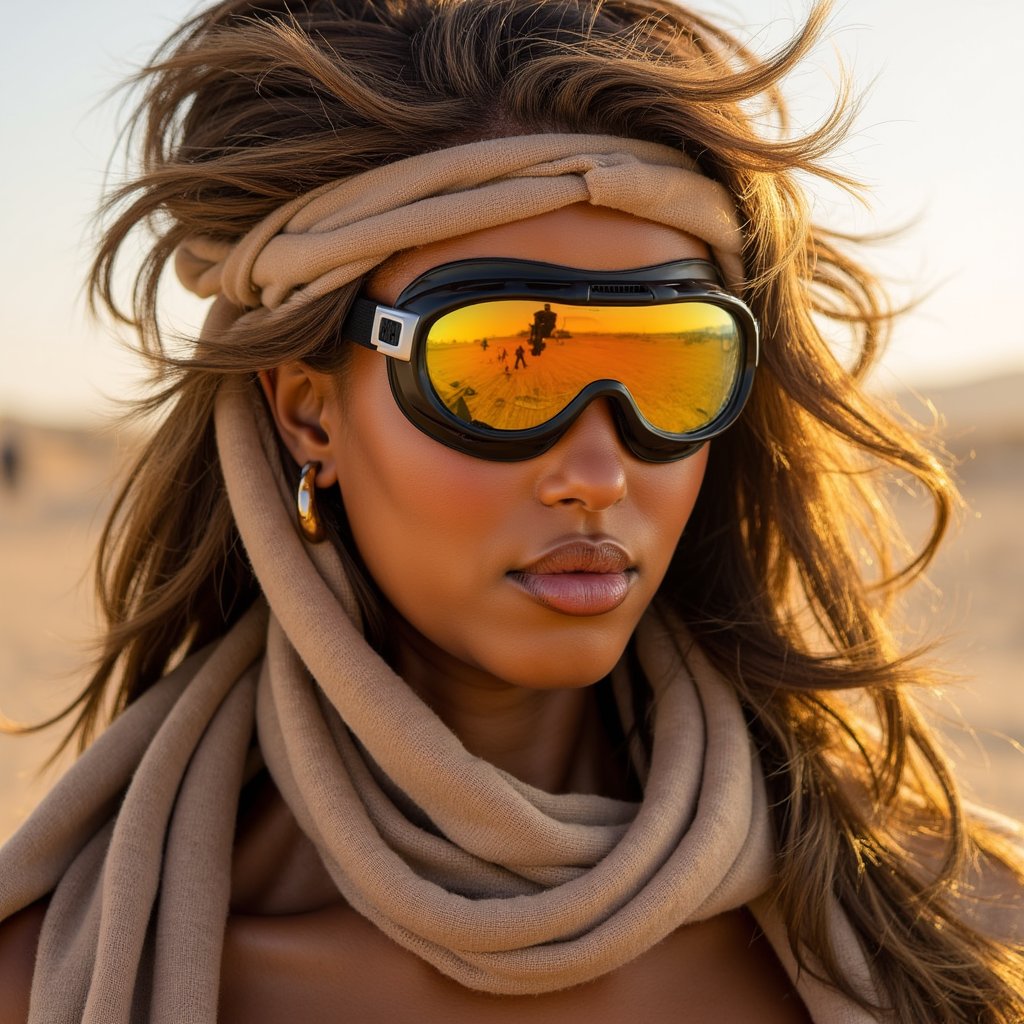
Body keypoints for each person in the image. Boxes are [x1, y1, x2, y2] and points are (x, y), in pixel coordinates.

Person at [0, 0, 1021, 1021]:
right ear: (310, 412)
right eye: (499, 369)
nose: (598, 471)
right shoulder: (62, 978)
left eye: (675, 368)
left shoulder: (960, 923)